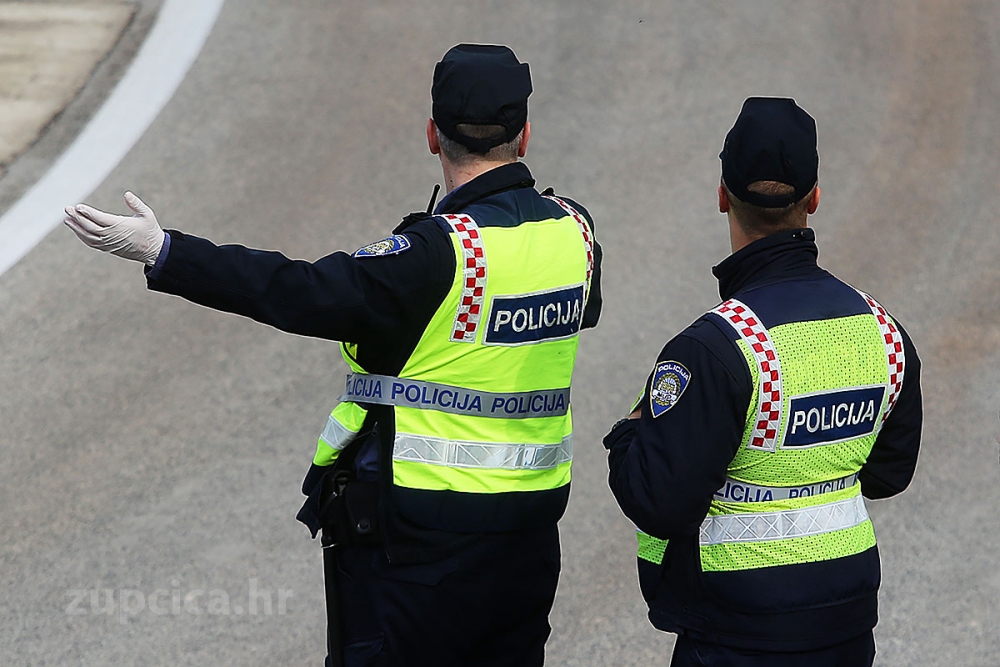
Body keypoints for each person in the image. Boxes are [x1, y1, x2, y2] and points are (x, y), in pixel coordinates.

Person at [64, 43, 602, 667]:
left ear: (433, 134)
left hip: (420, 548)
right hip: (528, 540)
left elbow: (298, 291)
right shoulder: (576, 232)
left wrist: (164, 250)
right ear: (525, 135)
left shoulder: (437, 255)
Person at [602, 97, 921, 666]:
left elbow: (658, 501)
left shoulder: (715, 348)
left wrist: (630, 431)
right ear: (814, 198)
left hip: (734, 635)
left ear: (722, 195)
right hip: (846, 626)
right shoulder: (884, 332)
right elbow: (887, 474)